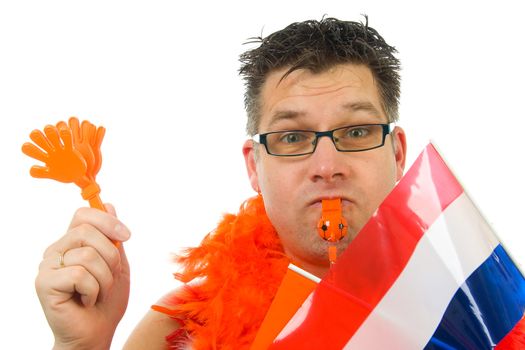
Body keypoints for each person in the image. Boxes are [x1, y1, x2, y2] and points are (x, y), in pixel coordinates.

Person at [35, 16, 407, 349]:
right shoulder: (176, 331)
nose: (327, 167)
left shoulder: (461, 289)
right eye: (292, 137)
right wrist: (81, 345)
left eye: (357, 131)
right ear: (254, 166)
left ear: (398, 154)